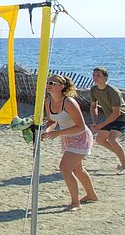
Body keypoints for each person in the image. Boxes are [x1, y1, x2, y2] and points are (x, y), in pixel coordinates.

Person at [41, 74, 99, 211]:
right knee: (77, 169)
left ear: (62, 87)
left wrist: (57, 133)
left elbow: (81, 125)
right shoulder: (48, 101)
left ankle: (75, 203)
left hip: (81, 137)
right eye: (48, 82)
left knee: (65, 168)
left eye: (52, 83)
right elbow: (52, 120)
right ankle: (92, 195)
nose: (48, 85)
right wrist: (48, 130)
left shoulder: (69, 102)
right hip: (67, 137)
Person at [89, 67, 125, 174]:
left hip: (122, 118)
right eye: (94, 75)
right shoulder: (93, 89)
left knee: (112, 138)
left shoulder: (113, 91)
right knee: (100, 140)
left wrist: (101, 125)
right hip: (110, 117)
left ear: (105, 78)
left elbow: (116, 113)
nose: (95, 78)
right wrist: (95, 122)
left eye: (98, 75)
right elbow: (93, 106)